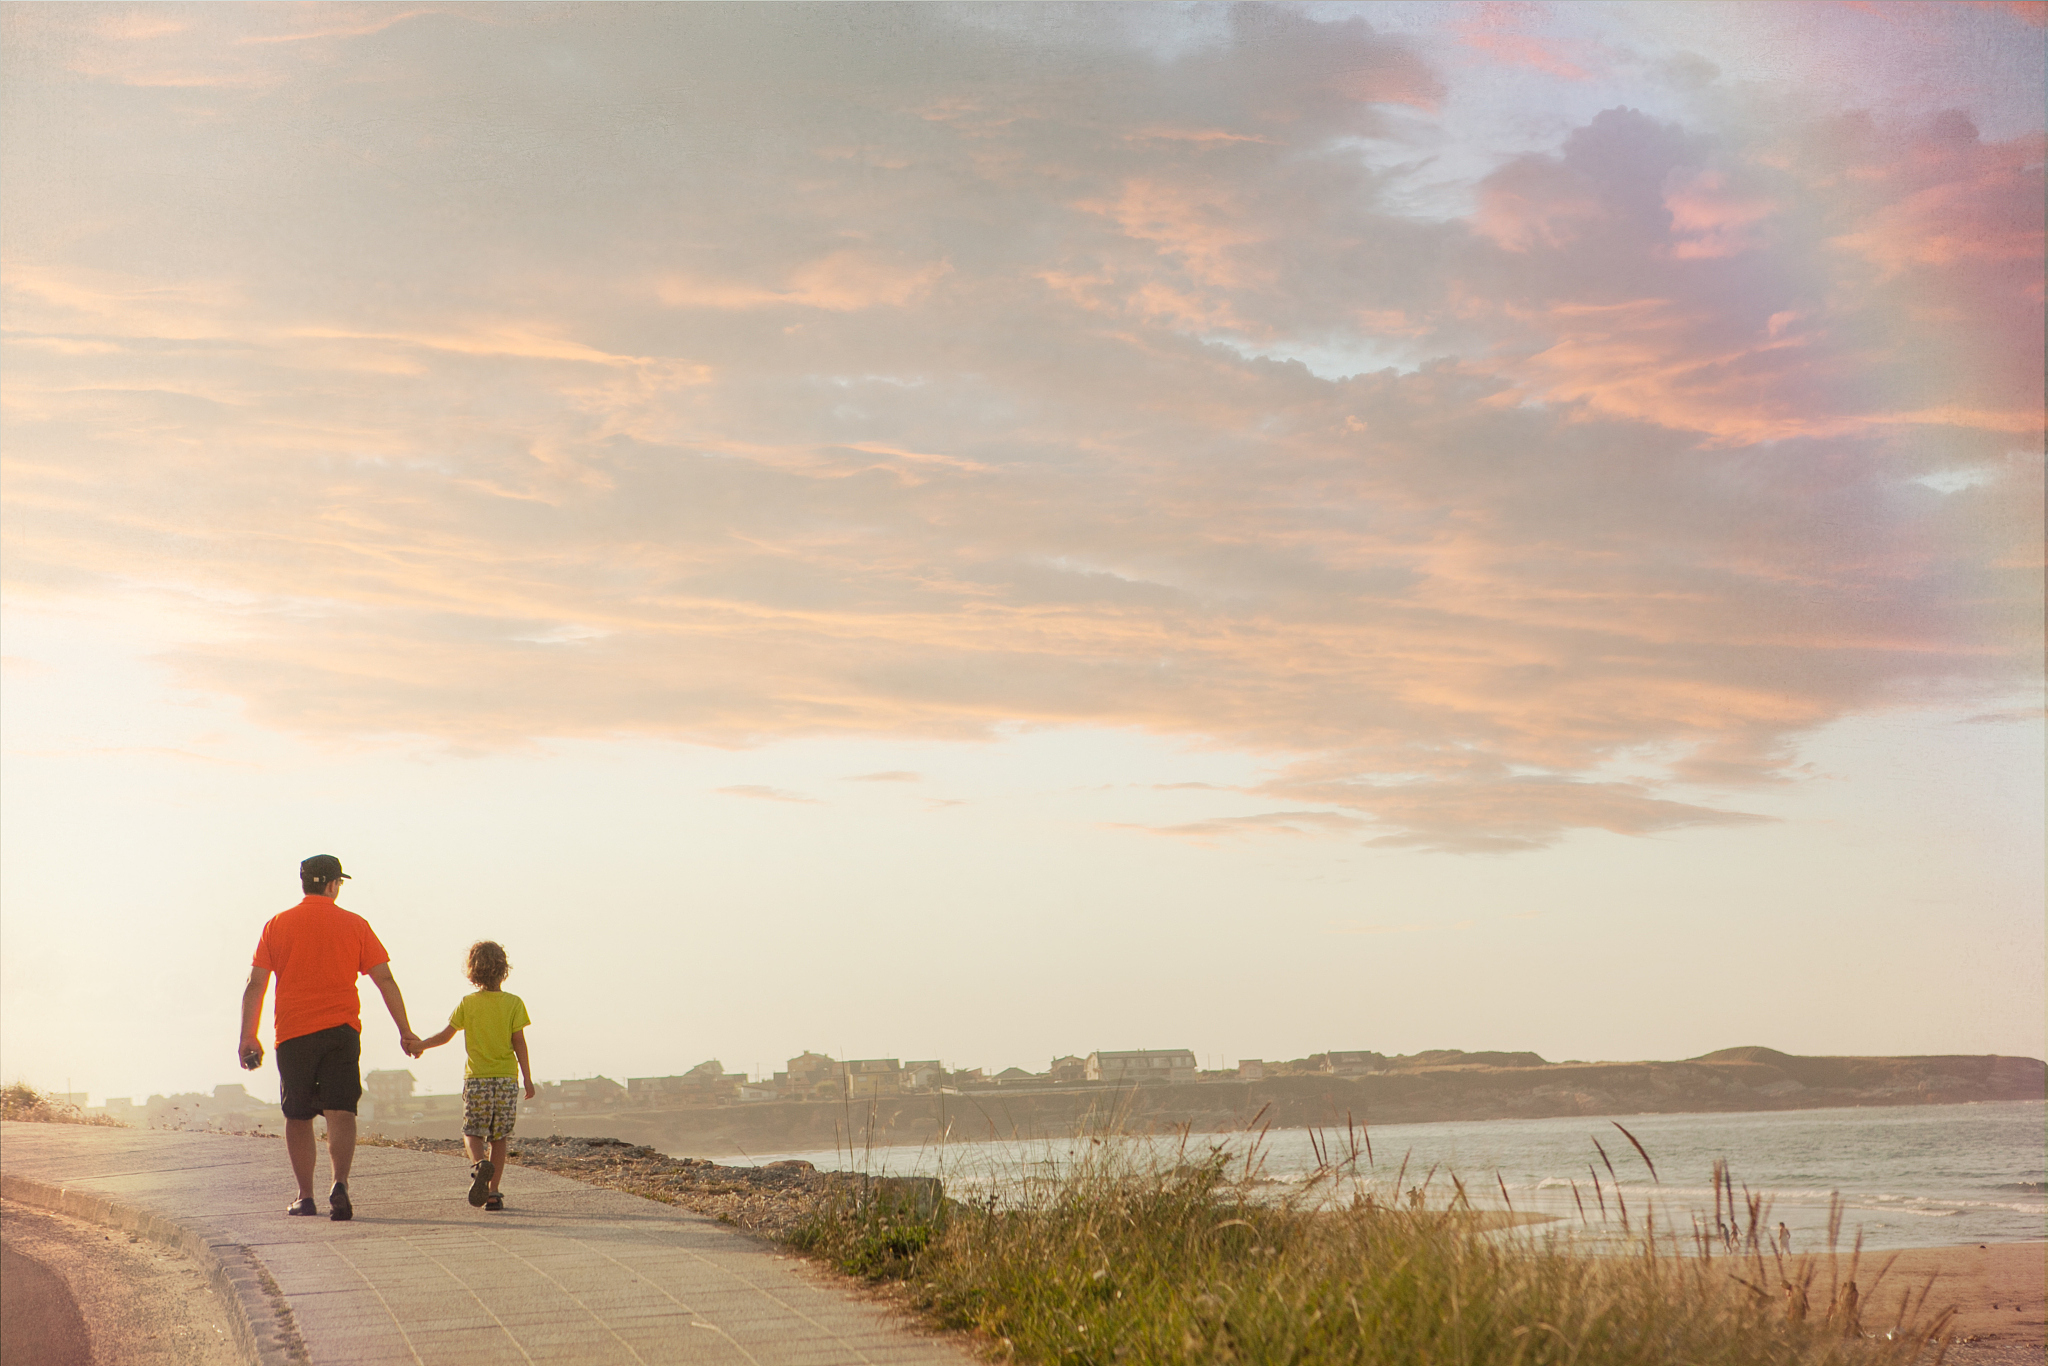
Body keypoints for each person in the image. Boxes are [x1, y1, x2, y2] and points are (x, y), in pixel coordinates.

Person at [237, 855, 422, 1220]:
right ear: (334, 884)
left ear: (305, 883)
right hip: (341, 1031)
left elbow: (256, 984)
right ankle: (340, 1182)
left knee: (299, 1116)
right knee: (341, 1111)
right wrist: (405, 1030)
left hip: (293, 1033)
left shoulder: (277, 924)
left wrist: (248, 1036)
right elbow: (384, 979)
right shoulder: (354, 924)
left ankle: (305, 1196)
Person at [414, 940, 535, 1211]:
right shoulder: (514, 1003)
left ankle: (480, 1164)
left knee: (472, 1132)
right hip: (505, 1079)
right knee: (500, 1137)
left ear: (472, 972)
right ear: (504, 970)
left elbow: (446, 1036)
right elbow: (520, 1043)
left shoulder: (468, 1003)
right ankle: (493, 1194)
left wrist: (420, 1045)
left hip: (477, 1079)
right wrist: (527, 1078)